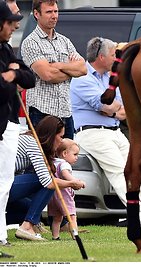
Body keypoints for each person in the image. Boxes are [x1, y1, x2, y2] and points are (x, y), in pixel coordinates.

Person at [70, 37, 141, 227]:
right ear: (101, 57)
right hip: (92, 133)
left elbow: (124, 108)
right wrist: (112, 109)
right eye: (113, 55)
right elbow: (108, 105)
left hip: (114, 131)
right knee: (119, 171)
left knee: (137, 169)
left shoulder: (109, 78)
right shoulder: (82, 78)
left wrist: (112, 109)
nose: (117, 59)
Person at [6, 115, 85, 241]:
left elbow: (17, 174)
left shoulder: (31, 140)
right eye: (60, 137)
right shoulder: (32, 142)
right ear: (51, 135)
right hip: (3, 186)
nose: (61, 141)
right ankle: (27, 227)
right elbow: (48, 182)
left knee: (28, 208)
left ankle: (30, 224)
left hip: (6, 186)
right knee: (50, 181)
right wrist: (71, 183)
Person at [20, 0, 87, 140]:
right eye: (49, 12)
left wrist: (58, 65)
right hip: (42, 113)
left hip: (65, 112)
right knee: (45, 159)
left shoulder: (64, 41)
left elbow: (83, 69)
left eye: (56, 11)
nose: (54, 16)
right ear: (37, 14)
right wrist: (70, 70)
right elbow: (48, 75)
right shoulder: (30, 42)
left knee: (67, 159)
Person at [0, 0, 35, 252]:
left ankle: (0, 236)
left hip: (10, 122)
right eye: (11, 23)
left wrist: (13, 74)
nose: (14, 28)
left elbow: (29, 78)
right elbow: (1, 90)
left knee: (4, 184)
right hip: (2, 125)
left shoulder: (6, 48)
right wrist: (13, 77)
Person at [47, 138, 85, 240]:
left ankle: (55, 236)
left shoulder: (53, 162)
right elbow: (66, 174)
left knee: (57, 218)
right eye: (75, 154)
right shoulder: (64, 164)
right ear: (64, 153)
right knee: (72, 217)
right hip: (64, 196)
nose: (77, 157)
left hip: (52, 196)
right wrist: (76, 181)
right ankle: (75, 236)